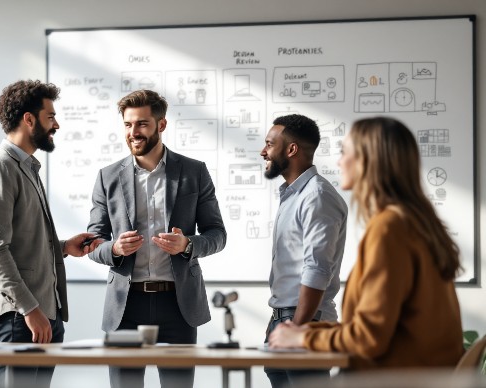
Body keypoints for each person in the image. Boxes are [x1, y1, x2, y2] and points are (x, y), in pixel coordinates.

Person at [268, 117, 464, 370]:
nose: (338, 161)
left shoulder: (389, 228)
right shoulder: (413, 222)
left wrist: (302, 335)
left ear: (367, 160)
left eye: (344, 152)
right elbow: (381, 326)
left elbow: (368, 338)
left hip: (397, 377)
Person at [87, 89, 227, 388]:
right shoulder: (107, 177)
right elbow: (93, 242)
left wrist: (188, 244)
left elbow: (217, 234)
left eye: (141, 124)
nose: (133, 132)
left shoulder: (194, 172)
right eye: (127, 124)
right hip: (126, 305)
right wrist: (113, 248)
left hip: (178, 304)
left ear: (161, 125)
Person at [0, 80, 99, 388]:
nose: (56, 124)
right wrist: (30, 309)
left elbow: (22, 241)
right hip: (20, 318)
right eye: (50, 116)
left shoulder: (27, 168)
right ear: (29, 119)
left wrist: (64, 247)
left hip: (42, 316)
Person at [260, 114, 348, 387]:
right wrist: (278, 322)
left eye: (269, 144)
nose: (263, 151)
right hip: (285, 317)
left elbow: (317, 269)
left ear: (292, 149)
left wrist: (296, 327)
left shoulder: (317, 196)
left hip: (305, 321)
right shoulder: (293, 194)